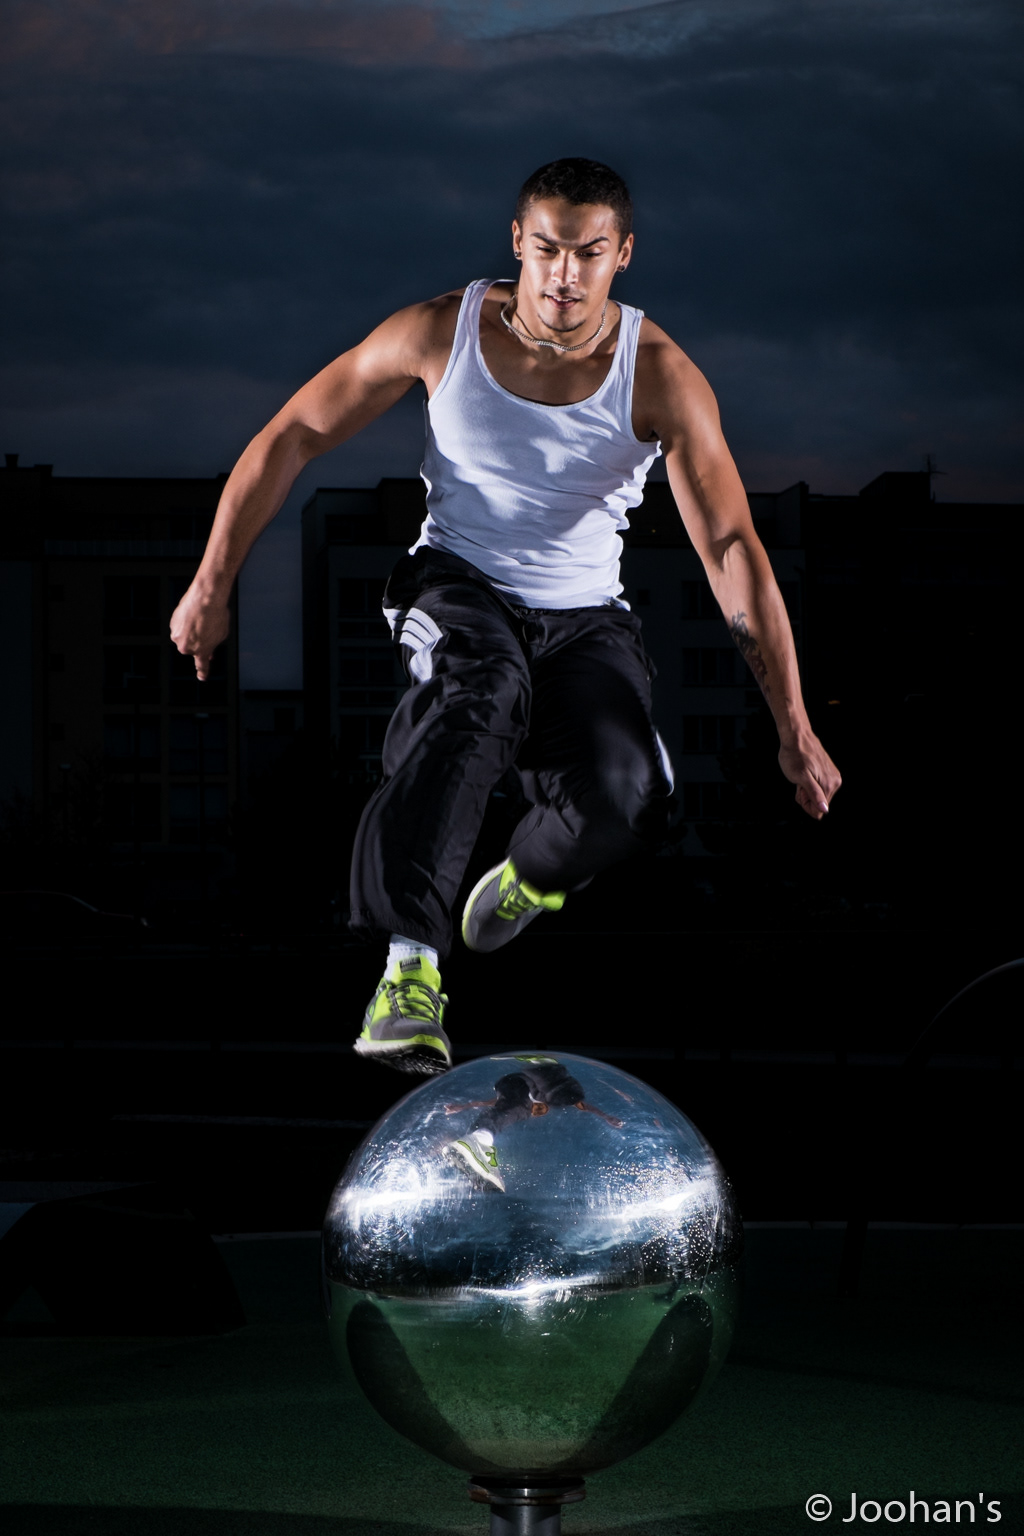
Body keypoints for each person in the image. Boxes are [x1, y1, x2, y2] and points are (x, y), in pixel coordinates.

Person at [171, 158, 841, 1076]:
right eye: (550, 250)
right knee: (478, 692)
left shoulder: (659, 375)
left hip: (585, 619)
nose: (566, 275)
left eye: (589, 254)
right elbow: (295, 433)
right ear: (519, 243)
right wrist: (212, 585)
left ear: (623, 255)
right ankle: (409, 969)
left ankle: (531, 874)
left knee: (629, 797)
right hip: (458, 584)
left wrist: (793, 726)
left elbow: (730, 549)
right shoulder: (440, 331)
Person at [444, 1054, 625, 1191]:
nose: (537, 1110)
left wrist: (463, 1106)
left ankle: (468, 1146)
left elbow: (491, 1104)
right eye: (539, 1110)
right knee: (519, 1110)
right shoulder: (537, 1099)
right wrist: (605, 1116)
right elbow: (582, 1105)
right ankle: (478, 1142)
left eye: (537, 1111)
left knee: (503, 1112)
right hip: (520, 1081)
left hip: (508, 1083)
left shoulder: (518, 1099)